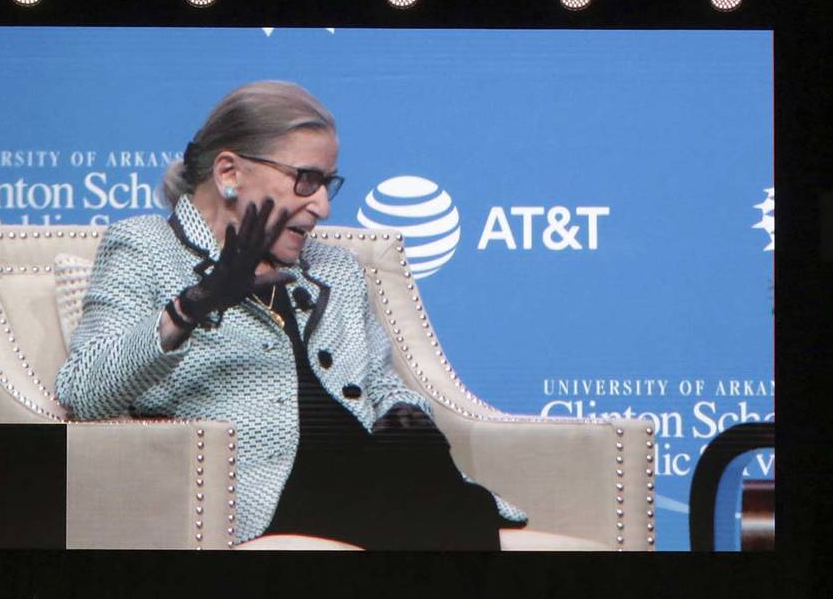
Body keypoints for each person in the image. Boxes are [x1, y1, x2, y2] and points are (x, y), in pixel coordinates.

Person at [55, 80, 517, 549]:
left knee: (420, 468)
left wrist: (404, 412)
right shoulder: (146, 247)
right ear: (229, 171)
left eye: (327, 183)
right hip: (268, 493)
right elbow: (85, 392)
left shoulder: (334, 268)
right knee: (443, 509)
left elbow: (380, 381)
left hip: (377, 473)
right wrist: (192, 306)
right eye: (307, 180)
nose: (323, 206)